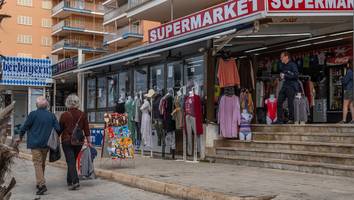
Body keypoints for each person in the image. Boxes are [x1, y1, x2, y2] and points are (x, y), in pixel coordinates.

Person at [18, 96, 61, 195]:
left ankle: (41, 185)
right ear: (46, 105)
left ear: (36, 105)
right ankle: (39, 182)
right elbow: (58, 129)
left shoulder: (33, 114)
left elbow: (25, 127)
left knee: (37, 163)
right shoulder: (51, 115)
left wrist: (20, 137)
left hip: (35, 144)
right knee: (41, 164)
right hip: (46, 144)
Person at [59, 94, 91, 190]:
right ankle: (69, 180)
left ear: (67, 103)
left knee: (70, 161)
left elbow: (59, 129)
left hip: (66, 141)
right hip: (79, 142)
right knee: (72, 160)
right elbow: (86, 130)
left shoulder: (64, 115)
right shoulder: (82, 114)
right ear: (77, 103)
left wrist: (55, 138)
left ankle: (75, 181)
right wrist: (89, 142)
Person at [274, 51, 299, 124]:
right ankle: (279, 120)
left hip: (291, 86)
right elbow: (284, 76)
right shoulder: (282, 65)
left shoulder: (292, 65)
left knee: (290, 103)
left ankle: (291, 119)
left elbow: (296, 76)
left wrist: (285, 76)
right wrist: (281, 77)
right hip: (285, 85)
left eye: (282, 57)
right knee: (279, 102)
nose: (280, 58)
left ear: (286, 57)